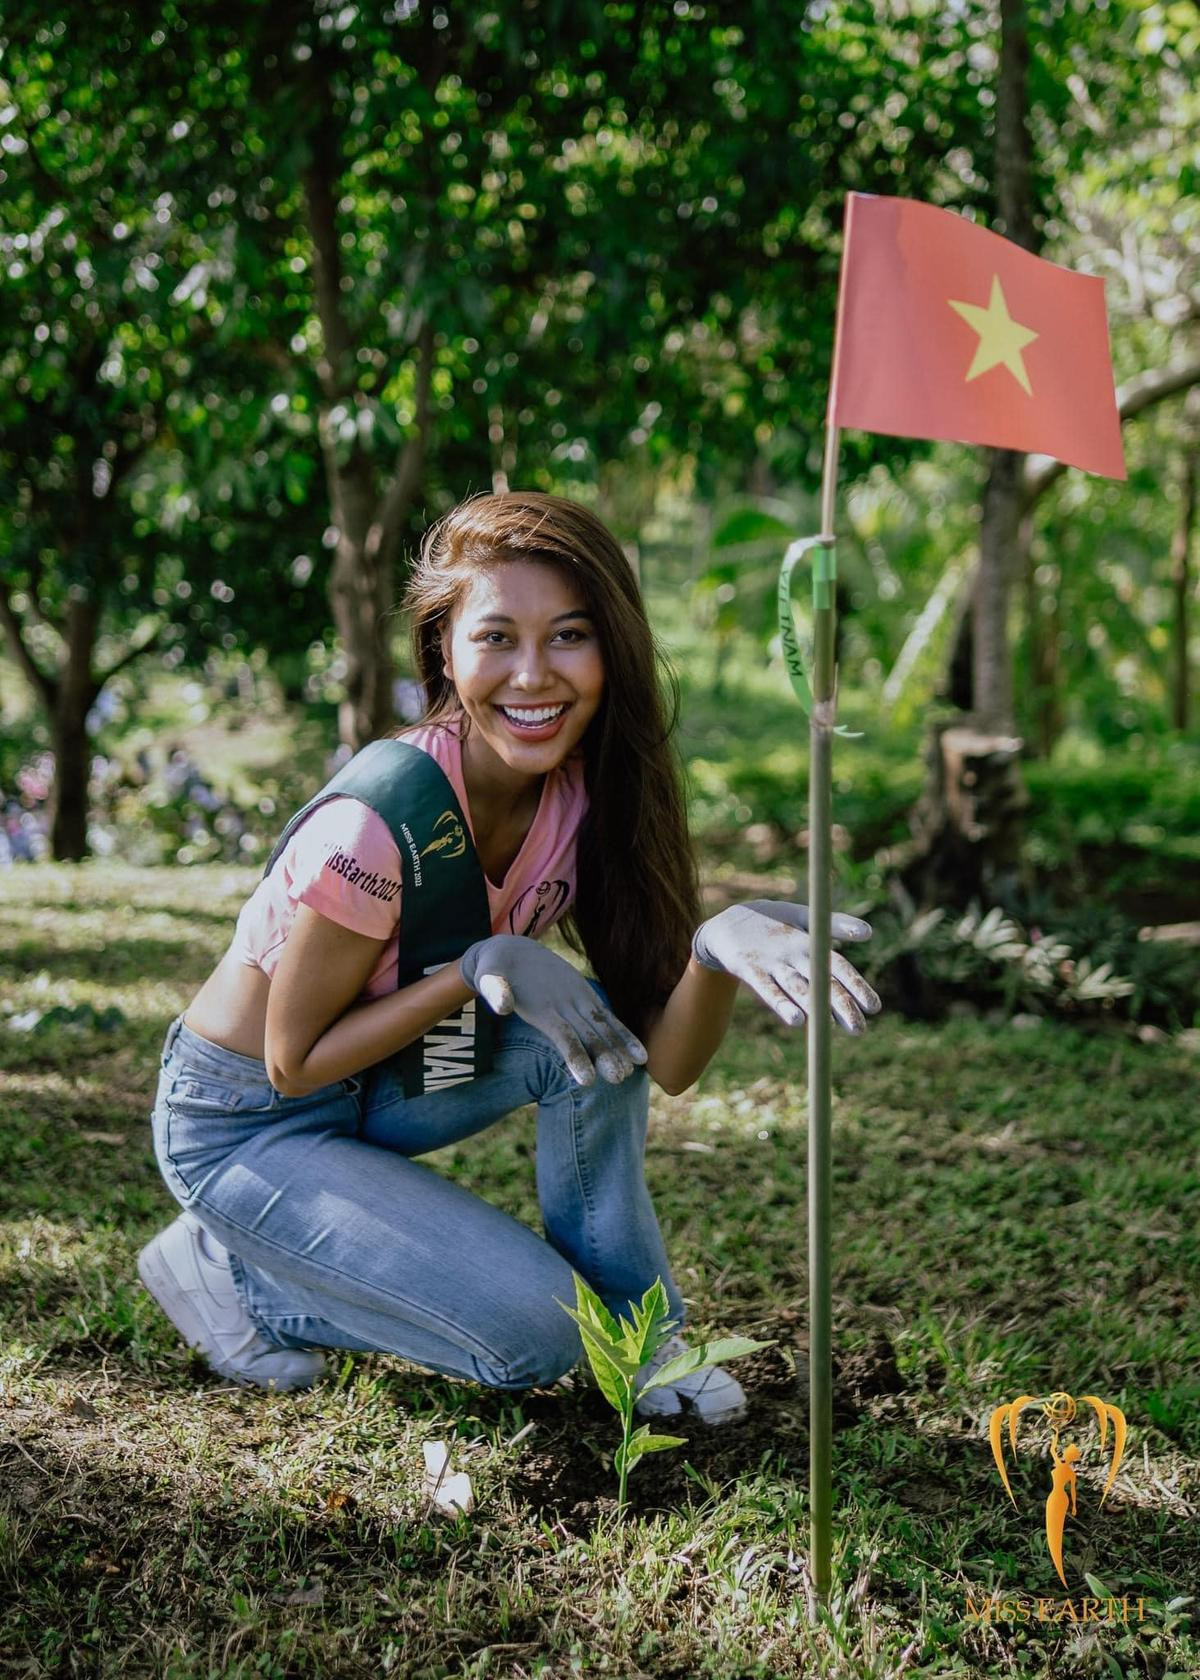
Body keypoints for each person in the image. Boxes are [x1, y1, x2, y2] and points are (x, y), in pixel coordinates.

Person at [139, 492, 880, 1425]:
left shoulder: (583, 794)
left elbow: (668, 1063)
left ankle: (648, 1343)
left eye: (568, 635)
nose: (534, 676)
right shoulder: (377, 823)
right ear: (444, 649)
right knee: (533, 1337)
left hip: (376, 1084)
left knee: (598, 1041)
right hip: (247, 1118)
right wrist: (473, 967)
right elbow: (292, 1062)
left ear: (613, 647)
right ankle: (235, 1275)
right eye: (497, 638)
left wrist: (713, 953)